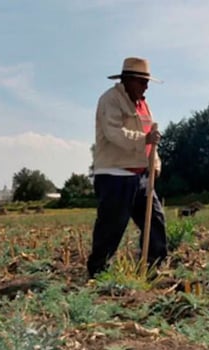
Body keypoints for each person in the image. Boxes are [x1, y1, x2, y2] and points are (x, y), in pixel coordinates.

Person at [87, 57, 168, 279]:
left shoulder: (142, 105)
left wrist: (156, 164)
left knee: (156, 223)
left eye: (147, 82)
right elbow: (115, 133)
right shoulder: (110, 100)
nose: (146, 87)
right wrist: (145, 139)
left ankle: (153, 269)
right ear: (128, 80)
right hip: (115, 174)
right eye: (142, 82)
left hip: (140, 175)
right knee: (111, 229)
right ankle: (98, 275)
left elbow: (152, 139)